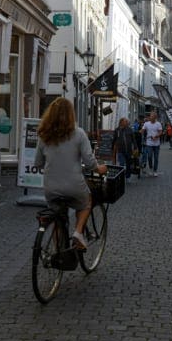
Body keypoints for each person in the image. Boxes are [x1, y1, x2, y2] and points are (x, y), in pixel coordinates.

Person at [34, 97, 107, 250]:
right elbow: (89, 162)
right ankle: (78, 232)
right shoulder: (79, 134)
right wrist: (99, 169)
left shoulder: (44, 135)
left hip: (51, 187)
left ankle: (59, 252)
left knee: (57, 216)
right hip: (74, 185)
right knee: (87, 202)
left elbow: (38, 163)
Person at [140, 111, 164, 177]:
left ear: (155, 117)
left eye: (153, 116)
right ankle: (151, 168)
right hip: (149, 143)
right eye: (151, 116)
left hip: (156, 144)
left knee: (156, 158)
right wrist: (139, 132)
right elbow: (142, 130)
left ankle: (155, 170)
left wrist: (156, 136)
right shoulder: (146, 124)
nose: (151, 117)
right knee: (149, 156)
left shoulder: (158, 124)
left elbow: (160, 132)